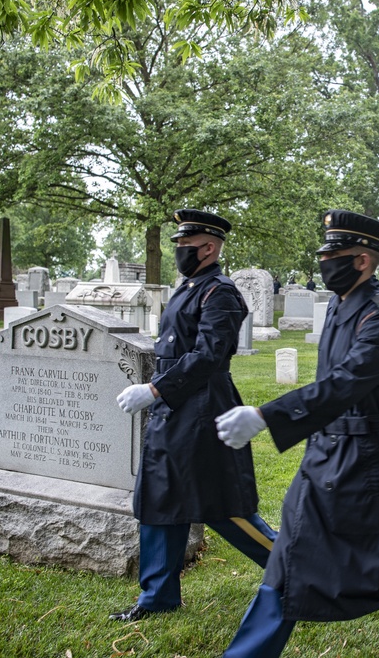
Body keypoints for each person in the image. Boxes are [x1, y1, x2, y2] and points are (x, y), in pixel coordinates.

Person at [214, 210, 379, 658]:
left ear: (363, 261)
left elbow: (346, 382)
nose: (326, 263)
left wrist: (269, 415)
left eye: (335, 255)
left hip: (375, 463)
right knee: (286, 563)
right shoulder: (341, 305)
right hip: (325, 457)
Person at [111, 209, 277, 622]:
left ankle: (296, 566)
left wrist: (153, 389)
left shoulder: (219, 291)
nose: (179, 253)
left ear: (209, 247)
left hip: (204, 405)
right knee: (160, 498)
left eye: (186, 247)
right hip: (175, 404)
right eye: (179, 247)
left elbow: (209, 354)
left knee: (221, 504)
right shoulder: (190, 287)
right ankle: (157, 597)